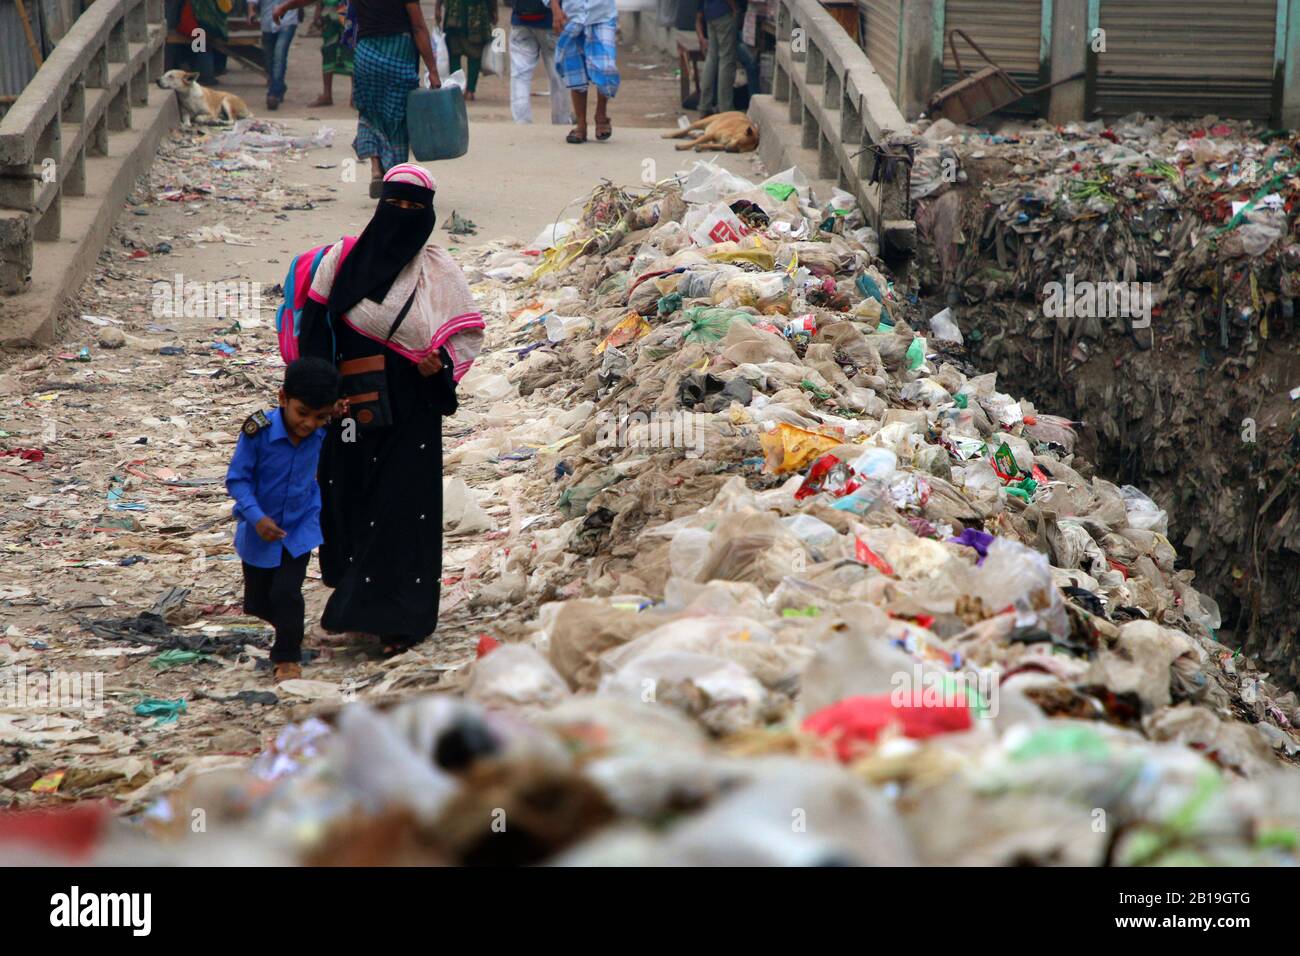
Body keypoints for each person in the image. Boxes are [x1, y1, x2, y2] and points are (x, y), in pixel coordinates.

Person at [296, 164, 485, 658]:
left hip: (411, 413)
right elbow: (315, 330)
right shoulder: (342, 259)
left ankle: (399, 619)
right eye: (394, 206)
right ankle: (355, 600)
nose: (402, 217)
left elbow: (461, 339)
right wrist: (320, 398)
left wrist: (437, 368)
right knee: (350, 501)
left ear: (428, 216)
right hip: (348, 407)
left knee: (402, 512)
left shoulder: (437, 269)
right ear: (380, 208)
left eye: (413, 209)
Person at [225, 358, 340, 683]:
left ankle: (287, 656)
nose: (308, 424)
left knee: (287, 592)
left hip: (299, 528)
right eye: (302, 413)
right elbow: (237, 480)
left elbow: (348, 435)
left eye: (320, 417)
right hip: (258, 531)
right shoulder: (257, 432)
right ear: (282, 399)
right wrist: (256, 517)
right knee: (258, 602)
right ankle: (289, 628)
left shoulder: (324, 431)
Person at [278, 0, 441, 196]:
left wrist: (285, 6)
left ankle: (375, 169)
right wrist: (432, 69)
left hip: (366, 54)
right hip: (398, 53)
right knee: (396, 118)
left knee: (369, 113)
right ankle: (395, 177)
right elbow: (418, 26)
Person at [551, 0, 618, 144]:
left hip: (602, 15)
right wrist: (556, 9)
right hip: (572, 16)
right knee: (575, 71)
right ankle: (581, 125)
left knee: (606, 68)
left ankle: (601, 115)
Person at [274, 0, 355, 107]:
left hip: (348, 12)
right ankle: (327, 95)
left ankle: (354, 96)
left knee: (351, 52)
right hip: (329, 14)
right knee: (328, 51)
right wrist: (318, 13)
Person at [509, 0, 572, 124]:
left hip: (520, 20)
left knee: (520, 74)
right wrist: (556, 10)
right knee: (557, 76)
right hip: (551, 22)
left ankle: (521, 122)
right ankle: (561, 121)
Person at [437, 0, 496, 102]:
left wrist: (437, 8)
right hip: (475, 15)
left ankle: (457, 89)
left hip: (455, 14)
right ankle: (469, 91)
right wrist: (493, 11)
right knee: (474, 55)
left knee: (455, 54)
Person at [249, 0, 298, 110]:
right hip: (267, 21)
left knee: (279, 55)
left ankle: (273, 93)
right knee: (269, 59)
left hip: (287, 20)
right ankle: (279, 85)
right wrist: (251, 11)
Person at [697, 0, 736, 116]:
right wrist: (734, 8)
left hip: (710, 13)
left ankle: (704, 106)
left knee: (712, 59)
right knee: (726, 60)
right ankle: (726, 108)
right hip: (723, 13)